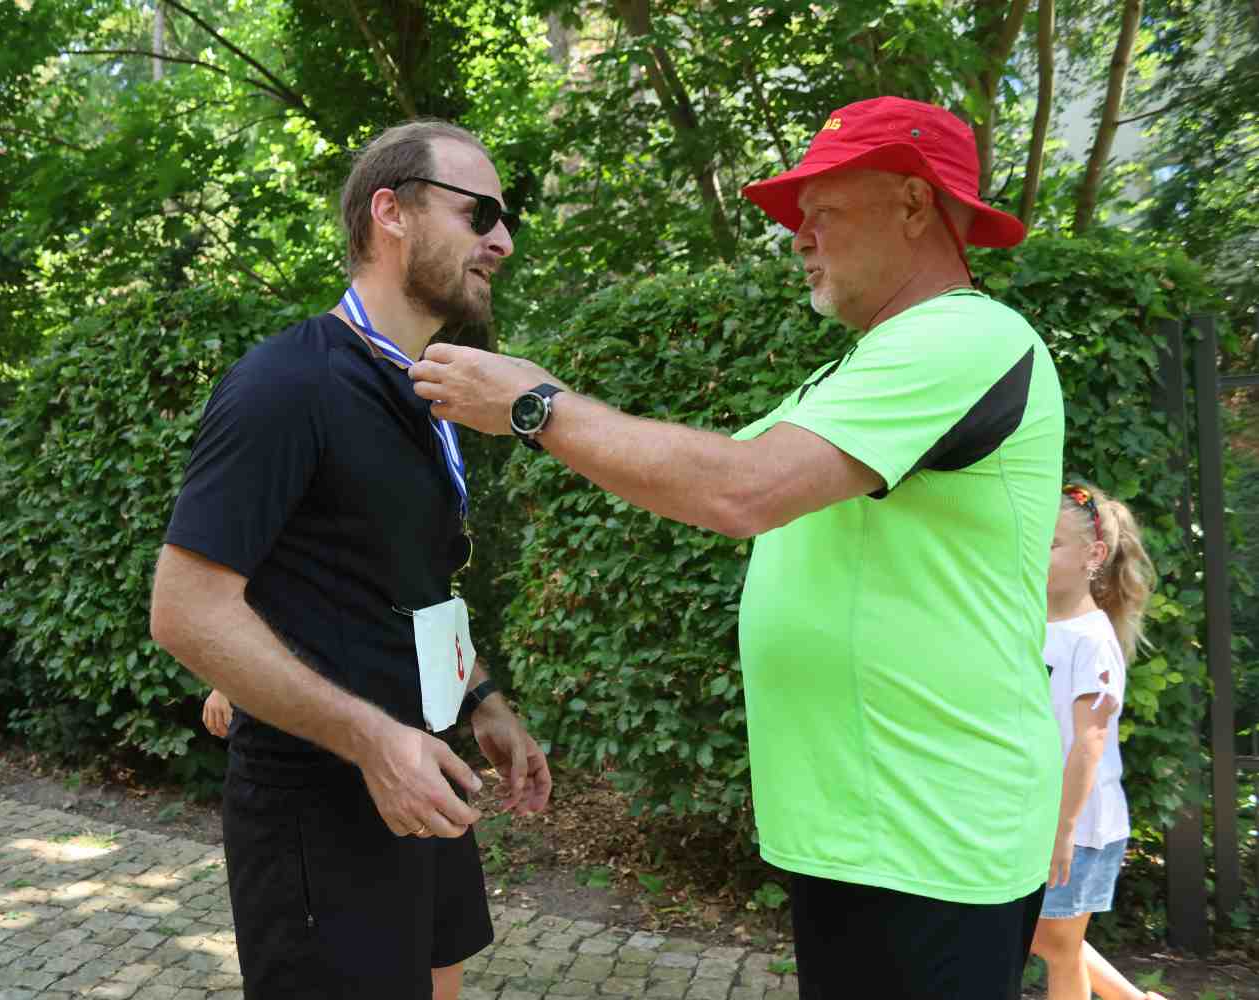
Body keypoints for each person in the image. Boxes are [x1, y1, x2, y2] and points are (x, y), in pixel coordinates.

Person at [409, 96, 1065, 998]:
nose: (799, 235)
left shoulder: (964, 337)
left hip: (930, 839)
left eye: (822, 210)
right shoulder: (865, 365)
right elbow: (694, 472)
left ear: (915, 207)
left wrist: (534, 405)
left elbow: (739, 490)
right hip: (872, 833)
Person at [150, 119, 552, 1000]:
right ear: (391, 211)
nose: (502, 239)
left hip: (423, 775)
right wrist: (374, 743)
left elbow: (406, 586)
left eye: (504, 216)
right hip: (322, 811)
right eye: (478, 211)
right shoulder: (287, 383)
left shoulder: (432, 389)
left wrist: (480, 699)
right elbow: (186, 609)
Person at [1032, 483, 1165, 1000]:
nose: (1036, 552)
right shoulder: (1038, 624)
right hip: (1044, 816)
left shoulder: (1091, 639)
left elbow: (1089, 743)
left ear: (1094, 555)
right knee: (1048, 939)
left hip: (1080, 825)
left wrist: (1064, 831)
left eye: (1051, 543)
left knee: (1059, 950)